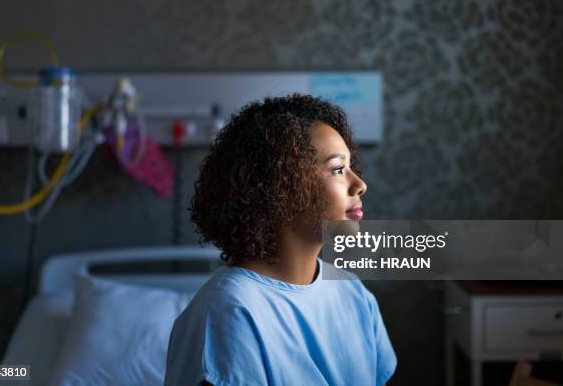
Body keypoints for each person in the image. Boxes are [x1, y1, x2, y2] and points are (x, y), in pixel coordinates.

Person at [165, 94, 397, 385]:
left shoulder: (353, 293)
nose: (360, 185)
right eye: (338, 169)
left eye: (351, 168)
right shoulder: (230, 312)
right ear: (281, 187)